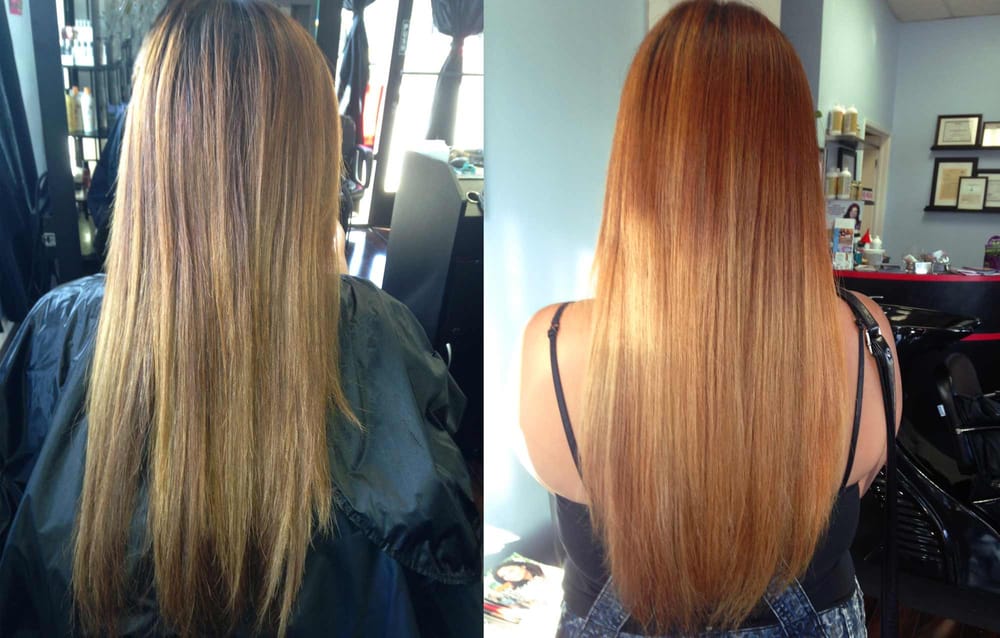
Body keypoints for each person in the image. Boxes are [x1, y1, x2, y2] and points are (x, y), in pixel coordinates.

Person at [0, 1, 479, 636]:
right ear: (310, 167)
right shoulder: (382, 337)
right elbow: (441, 574)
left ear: (146, 151)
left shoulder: (53, 334)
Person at [519, 2, 902, 636]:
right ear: (793, 161)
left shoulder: (552, 348)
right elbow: (853, 487)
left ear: (637, 151)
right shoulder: (867, 340)